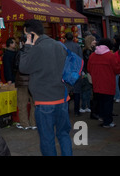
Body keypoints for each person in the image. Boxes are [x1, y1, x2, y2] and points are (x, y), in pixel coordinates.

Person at [19, 19, 72, 156]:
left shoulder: (36, 48)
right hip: (62, 98)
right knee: (63, 134)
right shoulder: (59, 45)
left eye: (25, 35)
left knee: (47, 138)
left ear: (30, 34)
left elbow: (23, 68)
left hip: (45, 101)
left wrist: (27, 47)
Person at [87, 38, 120, 128]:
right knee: (108, 103)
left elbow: (89, 69)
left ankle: (103, 118)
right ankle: (107, 122)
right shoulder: (110, 56)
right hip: (108, 83)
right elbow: (117, 69)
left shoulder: (92, 55)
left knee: (101, 102)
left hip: (97, 83)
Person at [15, 34, 36, 130]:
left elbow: (16, 66)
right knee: (34, 103)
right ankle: (34, 123)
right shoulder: (36, 51)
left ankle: (25, 124)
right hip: (34, 80)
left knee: (22, 103)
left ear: (22, 42)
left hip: (22, 81)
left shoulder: (20, 52)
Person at [64, 32, 83, 116]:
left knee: (66, 92)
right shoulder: (77, 46)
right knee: (77, 92)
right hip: (76, 71)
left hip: (66, 72)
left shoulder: (63, 46)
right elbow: (81, 59)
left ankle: (66, 110)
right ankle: (76, 111)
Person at [82, 35, 96, 116]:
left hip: (88, 72)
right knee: (87, 90)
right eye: (93, 40)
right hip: (88, 73)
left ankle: (86, 106)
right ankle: (86, 106)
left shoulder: (89, 50)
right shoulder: (88, 51)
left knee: (87, 90)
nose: (95, 41)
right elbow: (88, 62)